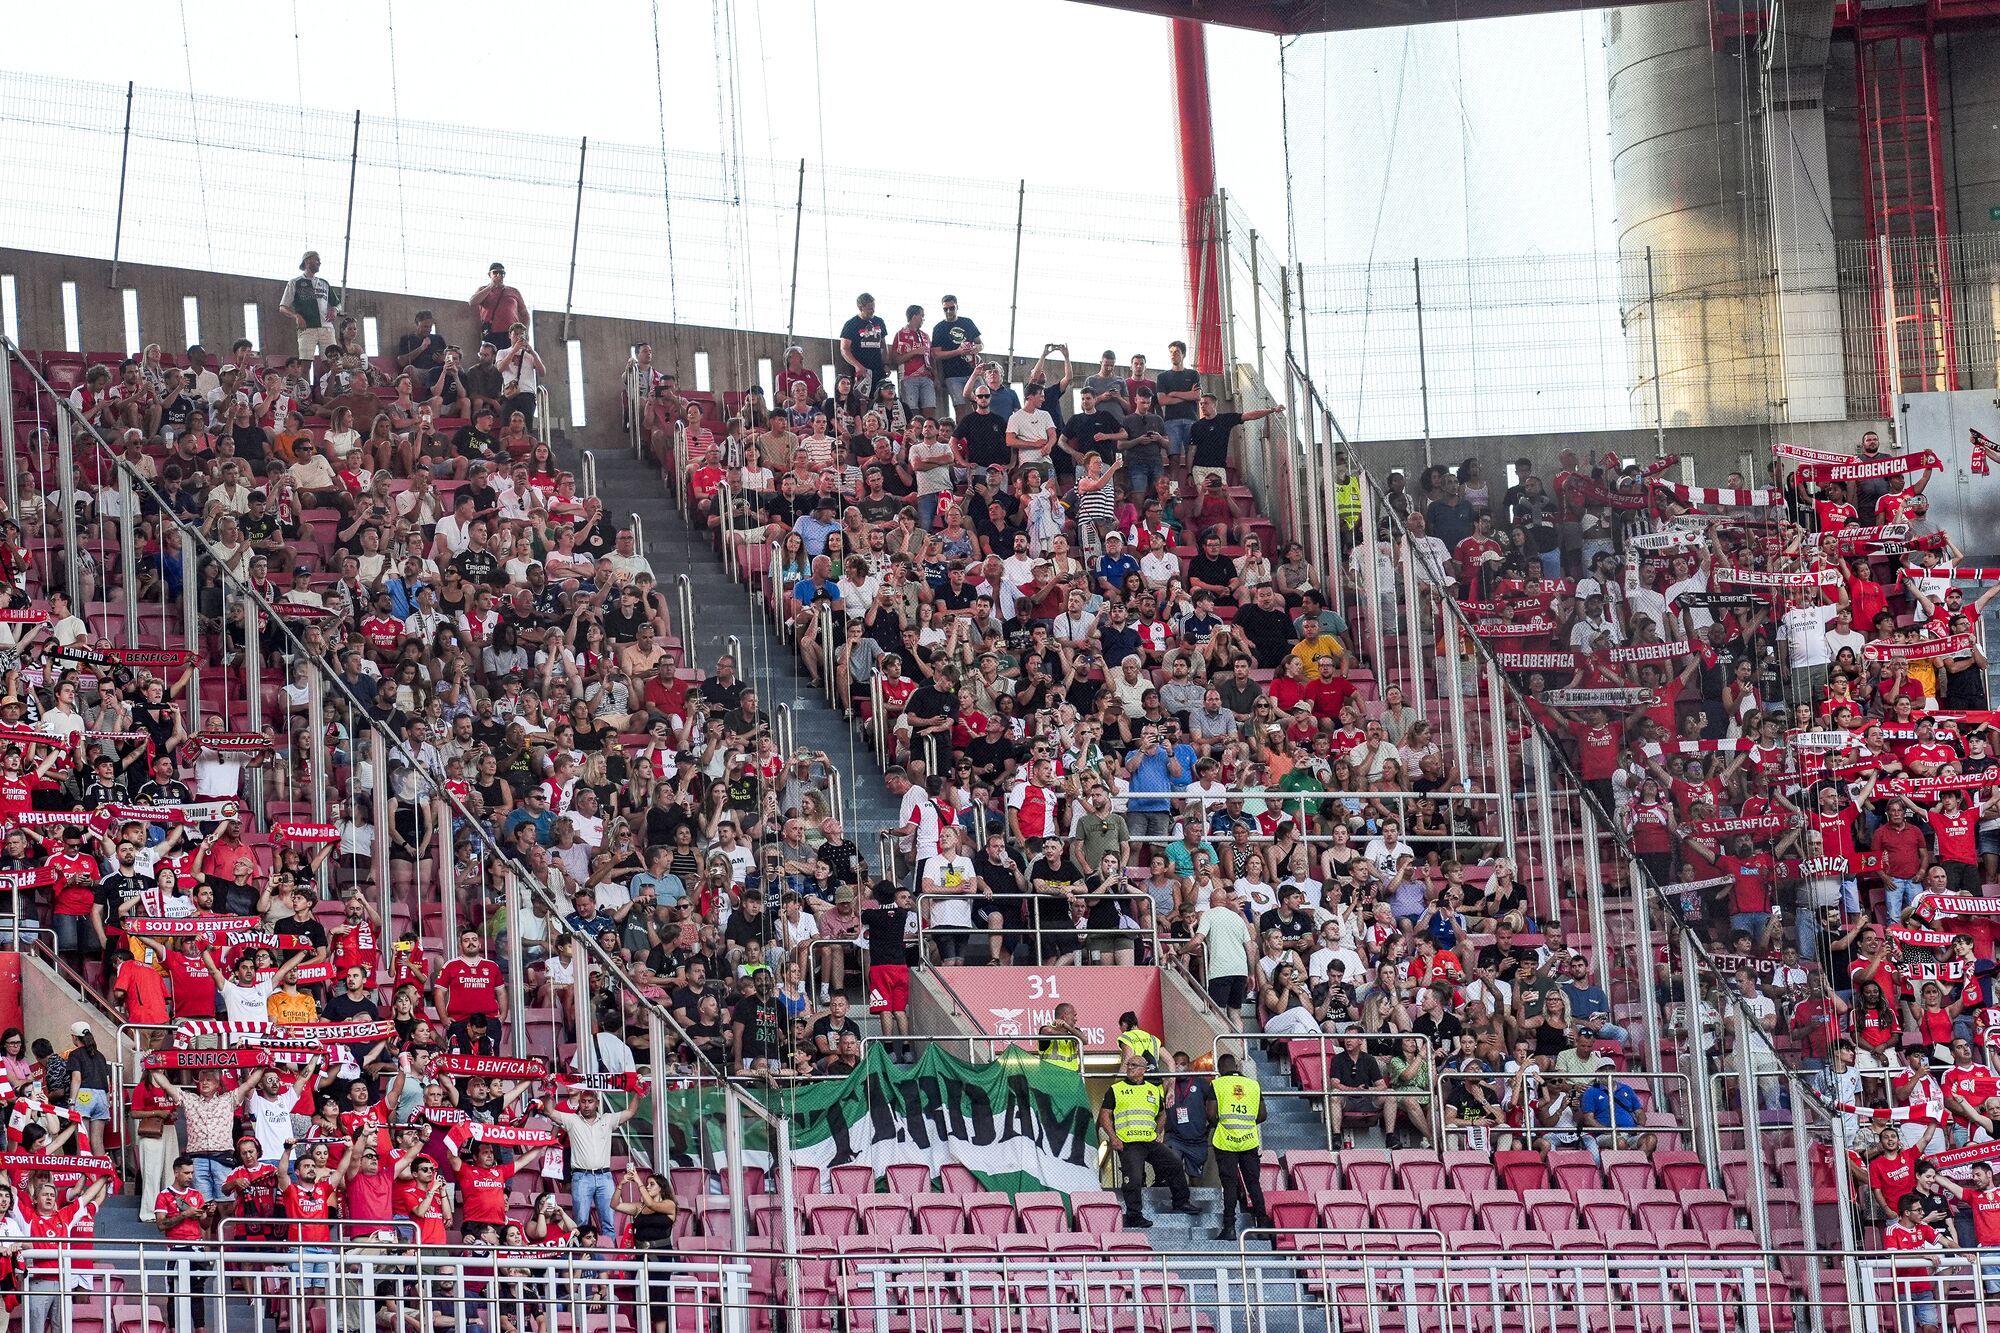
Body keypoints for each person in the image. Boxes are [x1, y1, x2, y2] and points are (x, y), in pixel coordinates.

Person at [1098, 1052, 1199, 1228]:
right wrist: (1113, 1137)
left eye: (1134, 1065)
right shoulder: (1116, 1089)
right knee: (1134, 1178)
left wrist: (1159, 1133)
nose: (1129, 1068)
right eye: (1128, 1065)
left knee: (1174, 1162)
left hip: (1150, 1142)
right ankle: (1134, 1215)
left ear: (1144, 1070)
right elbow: (1104, 1115)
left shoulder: (1152, 1090)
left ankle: (1181, 1202)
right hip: (1128, 1143)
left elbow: (1162, 1114)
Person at [545, 1088, 641, 1239]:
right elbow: (550, 1112)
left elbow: (631, 1111)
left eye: (590, 1101)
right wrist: (550, 1090)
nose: (586, 1105)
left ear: (597, 1103)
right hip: (581, 1176)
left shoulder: (607, 1119)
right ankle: (581, 1260)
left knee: (608, 1223)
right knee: (581, 1222)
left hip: (604, 1176)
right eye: (583, 1102)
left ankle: (610, 1259)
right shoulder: (572, 1120)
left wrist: (639, 1092)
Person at [1205, 1052, 1270, 1241]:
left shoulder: (1216, 1085)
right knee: (1253, 1184)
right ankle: (1263, 1226)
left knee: (1230, 1184)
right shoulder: (1253, 1084)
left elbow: (1210, 1114)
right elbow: (1263, 1115)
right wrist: (1247, 1123)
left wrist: (1222, 1123)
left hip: (1226, 1142)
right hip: (1249, 1141)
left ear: (1220, 1068)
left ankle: (1230, 1227)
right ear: (1236, 1067)